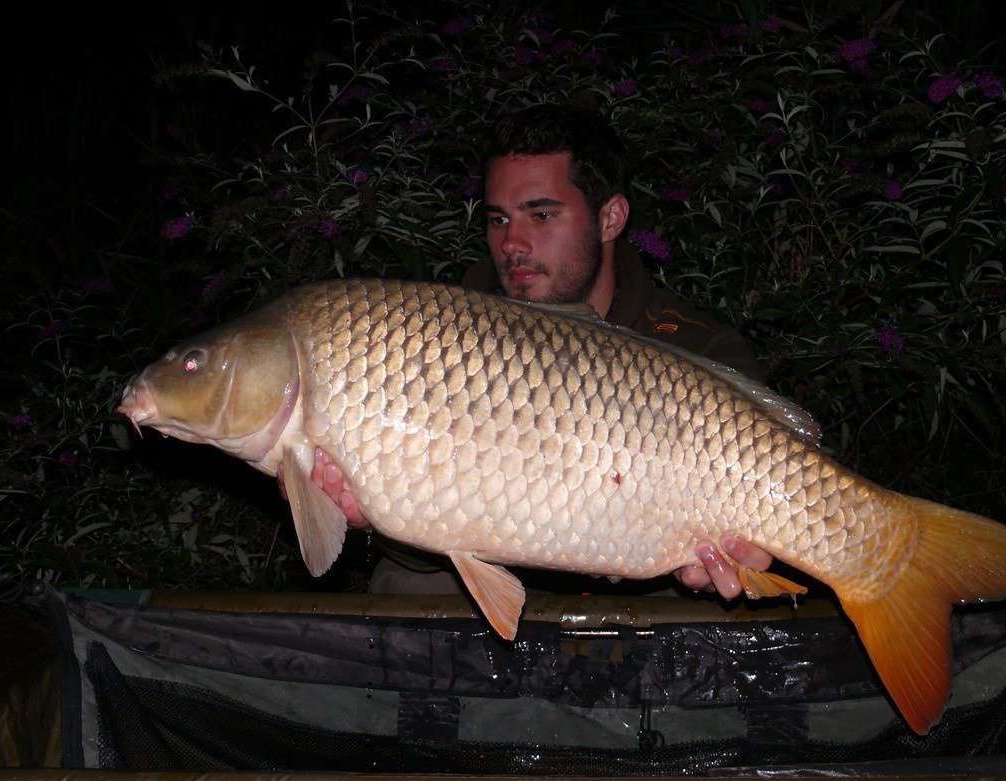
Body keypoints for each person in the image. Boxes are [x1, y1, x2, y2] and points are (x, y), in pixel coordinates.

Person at [306, 103, 777, 599]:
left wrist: (736, 564)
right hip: (499, 585)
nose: (511, 242)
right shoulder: (436, 343)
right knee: (408, 580)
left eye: (542, 214)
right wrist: (369, 516)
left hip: (647, 601)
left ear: (610, 218)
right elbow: (429, 518)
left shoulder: (697, 346)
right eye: (497, 219)